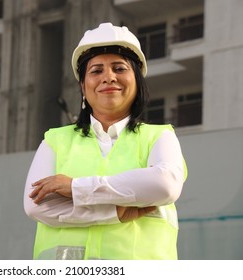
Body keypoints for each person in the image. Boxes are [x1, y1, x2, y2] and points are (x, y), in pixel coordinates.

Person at [23, 22, 187, 260]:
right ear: (83, 86)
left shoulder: (160, 136)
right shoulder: (55, 140)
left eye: (119, 68)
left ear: (137, 81)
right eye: (96, 70)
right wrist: (115, 211)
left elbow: (164, 185)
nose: (108, 77)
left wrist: (75, 188)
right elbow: (36, 206)